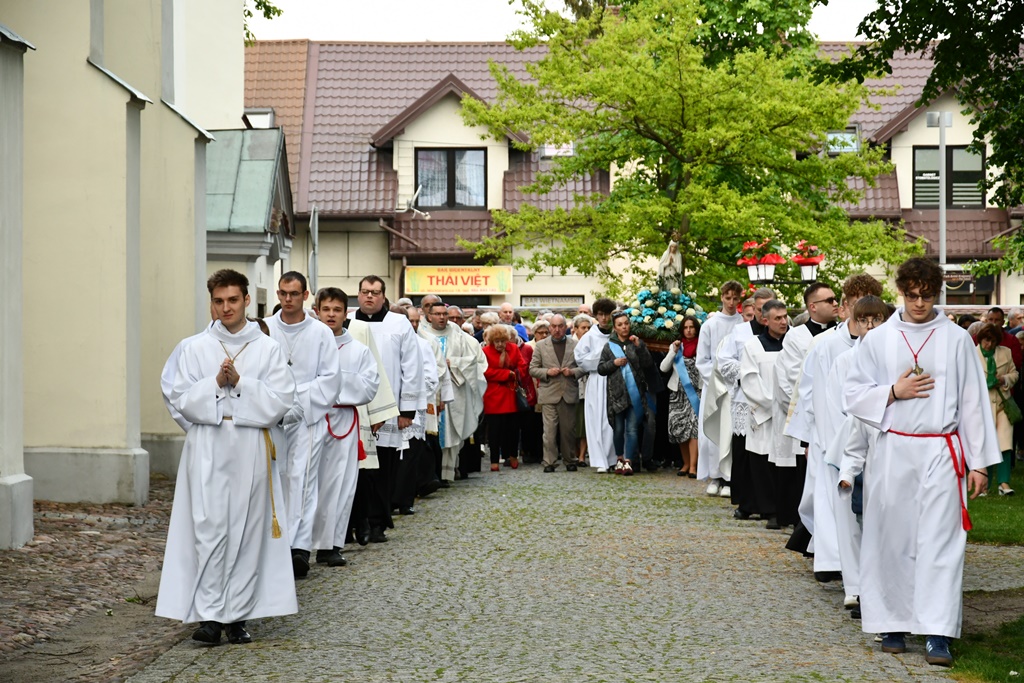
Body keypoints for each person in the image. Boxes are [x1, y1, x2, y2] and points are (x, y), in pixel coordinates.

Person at [844, 256, 1000, 667]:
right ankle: (892, 624)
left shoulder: (956, 339)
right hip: (893, 449)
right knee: (890, 537)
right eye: (912, 295)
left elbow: (973, 402)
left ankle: (937, 631)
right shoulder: (877, 340)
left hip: (941, 451)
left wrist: (979, 463)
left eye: (926, 296)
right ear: (900, 291)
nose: (918, 303)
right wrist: (893, 392)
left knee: (941, 540)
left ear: (936, 293)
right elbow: (852, 395)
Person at [157, 269, 297, 645]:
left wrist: (241, 383)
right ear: (211, 303)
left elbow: (283, 399)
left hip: (250, 443)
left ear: (247, 300)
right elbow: (177, 397)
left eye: (233, 300)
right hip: (207, 444)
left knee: (247, 530)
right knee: (208, 528)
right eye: (218, 301)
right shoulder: (193, 347)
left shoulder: (267, 349)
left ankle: (237, 617)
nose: (226, 308)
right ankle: (209, 616)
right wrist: (215, 386)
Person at [785, 273, 882, 576]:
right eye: (857, 305)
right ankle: (831, 562)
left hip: (872, 435)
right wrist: (812, 438)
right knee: (830, 500)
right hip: (830, 435)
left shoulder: (885, 345)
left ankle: (867, 564)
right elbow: (809, 392)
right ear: (846, 306)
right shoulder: (825, 345)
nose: (864, 315)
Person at [264, 272, 341, 578]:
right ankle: (274, 543)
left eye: (294, 294)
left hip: (307, 418)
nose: (288, 299)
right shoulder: (265, 328)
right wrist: (274, 404)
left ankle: (299, 547)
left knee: (303, 480)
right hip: (271, 417)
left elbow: (330, 378)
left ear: (305, 295)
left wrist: (296, 404)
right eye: (283, 293)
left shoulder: (320, 332)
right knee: (276, 478)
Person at [826, 295, 892, 618]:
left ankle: (883, 593)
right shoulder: (845, 360)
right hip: (855, 443)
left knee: (885, 528)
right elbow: (842, 405)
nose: (870, 326)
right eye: (864, 320)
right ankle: (859, 589)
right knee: (857, 523)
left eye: (876, 320)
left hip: (888, 444)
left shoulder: (895, 356)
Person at [349, 275, 425, 543]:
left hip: (388, 408)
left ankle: (378, 522)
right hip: (355, 409)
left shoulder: (398, 323)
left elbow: (411, 366)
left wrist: (407, 410)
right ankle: (355, 523)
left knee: (383, 468)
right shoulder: (348, 322)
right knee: (357, 469)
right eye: (365, 292)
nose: (369, 296)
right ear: (359, 295)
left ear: (383, 296)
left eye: (375, 292)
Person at [310, 288, 380, 568]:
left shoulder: (359, 350)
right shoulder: (308, 345)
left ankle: (331, 545)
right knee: (307, 481)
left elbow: (369, 386)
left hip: (342, 423)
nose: (331, 315)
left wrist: (328, 388)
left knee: (340, 483)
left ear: (345, 313)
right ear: (317, 311)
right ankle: (300, 545)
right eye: (326, 309)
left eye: (337, 310)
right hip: (310, 419)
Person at [772, 282, 838, 531]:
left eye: (835, 299)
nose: (835, 303)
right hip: (809, 412)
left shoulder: (843, 332)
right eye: (829, 300)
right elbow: (793, 378)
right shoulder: (797, 336)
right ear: (812, 306)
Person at [713, 288, 775, 515]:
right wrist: (749, 371)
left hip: (772, 400)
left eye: (769, 309)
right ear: (753, 309)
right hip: (745, 400)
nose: (764, 314)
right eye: (760, 309)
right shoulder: (740, 331)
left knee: (770, 453)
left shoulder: (784, 330)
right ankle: (746, 504)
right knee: (744, 453)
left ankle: (771, 504)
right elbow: (724, 361)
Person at [419, 299, 486, 485]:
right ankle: (430, 475)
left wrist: (453, 363)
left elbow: (474, 361)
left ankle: (447, 473)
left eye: (444, 314)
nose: (442, 317)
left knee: (451, 433)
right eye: (437, 314)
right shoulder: (421, 334)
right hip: (430, 391)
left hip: (454, 391)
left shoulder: (458, 335)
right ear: (429, 316)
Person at [739, 299, 789, 528]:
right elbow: (749, 379)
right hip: (766, 414)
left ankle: (787, 509)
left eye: (785, 317)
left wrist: (788, 406)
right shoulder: (753, 346)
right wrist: (774, 405)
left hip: (789, 413)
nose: (783, 321)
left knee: (787, 463)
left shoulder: (793, 343)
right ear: (765, 320)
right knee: (763, 464)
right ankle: (769, 510)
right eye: (777, 318)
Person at [694, 280, 745, 490]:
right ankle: (714, 476)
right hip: (714, 387)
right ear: (722, 297)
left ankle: (729, 477)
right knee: (714, 431)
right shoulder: (710, 325)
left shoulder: (743, 324)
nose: (731, 303)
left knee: (732, 432)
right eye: (728, 298)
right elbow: (702, 360)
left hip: (737, 387)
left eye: (735, 298)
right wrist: (718, 380)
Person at [598, 310, 654, 476]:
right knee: (618, 429)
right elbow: (601, 369)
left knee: (632, 429)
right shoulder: (609, 347)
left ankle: (628, 461)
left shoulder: (635, 343)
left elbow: (648, 364)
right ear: (615, 328)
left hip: (635, 394)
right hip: (616, 395)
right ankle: (619, 458)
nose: (624, 327)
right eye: (620, 325)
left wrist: (640, 347)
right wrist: (614, 363)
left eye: (626, 324)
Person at [529, 314, 583, 472]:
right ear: (549, 328)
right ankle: (549, 462)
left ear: (566, 327)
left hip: (568, 393)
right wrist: (547, 372)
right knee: (549, 432)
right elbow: (532, 369)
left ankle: (570, 459)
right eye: (554, 326)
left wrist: (572, 372)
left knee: (568, 431)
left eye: (560, 326)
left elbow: (584, 367)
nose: (557, 329)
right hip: (549, 393)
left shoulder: (575, 344)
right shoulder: (541, 346)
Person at [575, 298, 618, 472]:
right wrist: (603, 356)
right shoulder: (589, 336)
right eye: (601, 314)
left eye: (607, 314)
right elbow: (580, 359)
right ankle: (600, 460)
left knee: (612, 421)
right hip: (597, 379)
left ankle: (613, 458)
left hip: (616, 379)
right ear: (596, 316)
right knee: (596, 420)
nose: (604, 318)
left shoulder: (617, 334)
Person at [976, 323, 1018, 496]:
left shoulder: (1005, 352)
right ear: (980, 339)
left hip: (1002, 405)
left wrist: (1004, 379)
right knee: (984, 445)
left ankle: (1004, 483)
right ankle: (983, 485)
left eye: (993, 341)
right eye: (986, 340)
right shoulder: (971, 353)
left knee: (1005, 445)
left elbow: (1015, 374)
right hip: (981, 407)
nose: (989, 344)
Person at [662, 315, 703, 477]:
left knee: (694, 430)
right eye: (685, 327)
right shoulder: (676, 346)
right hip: (677, 394)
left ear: (696, 328)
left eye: (691, 327)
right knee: (680, 429)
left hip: (696, 394)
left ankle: (693, 466)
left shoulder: (702, 344)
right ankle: (685, 463)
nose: (688, 330)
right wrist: (673, 351)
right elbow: (663, 368)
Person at [482, 324, 527, 471]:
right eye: (497, 341)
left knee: (512, 429)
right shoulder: (485, 352)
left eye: (502, 341)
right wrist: (506, 374)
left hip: (511, 394)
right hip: (493, 395)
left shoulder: (513, 349)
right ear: (491, 341)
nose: (500, 344)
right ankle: (494, 460)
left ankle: (513, 455)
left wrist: (515, 374)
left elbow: (522, 366)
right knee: (494, 430)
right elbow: (485, 371)